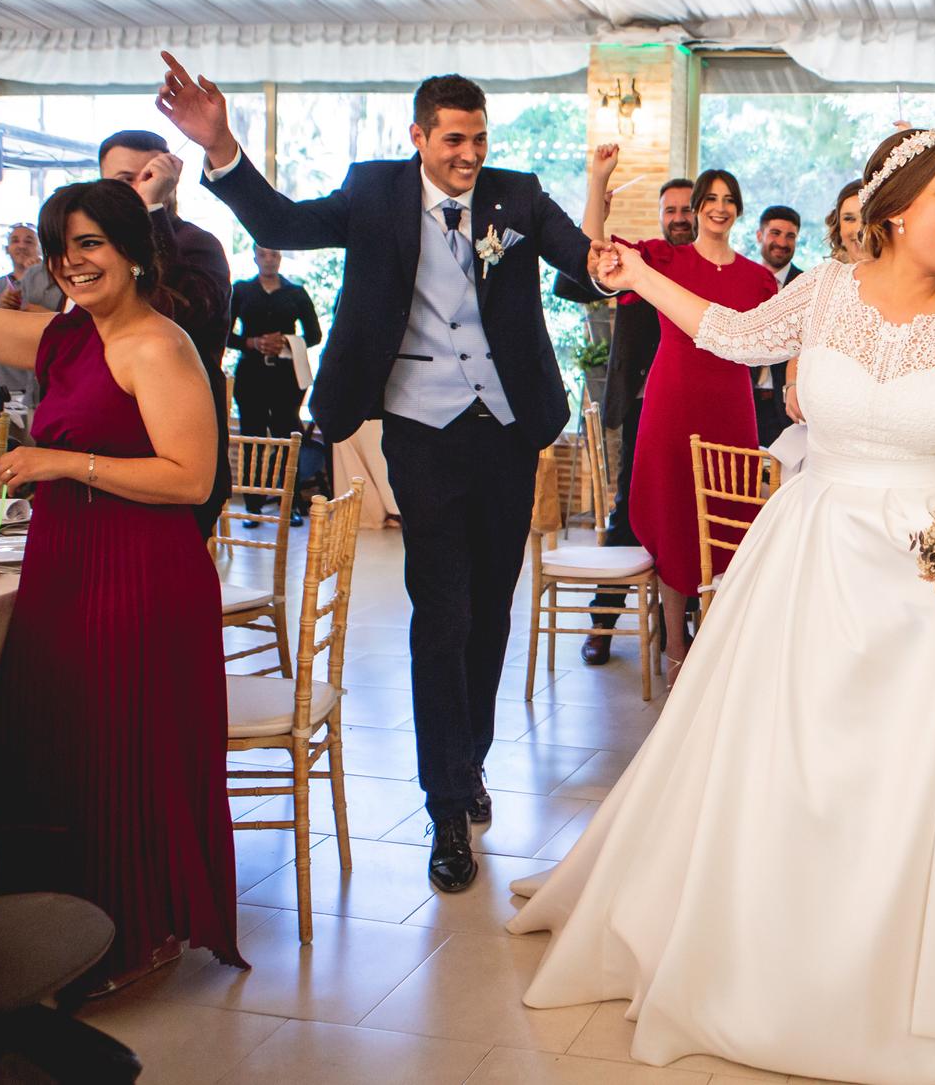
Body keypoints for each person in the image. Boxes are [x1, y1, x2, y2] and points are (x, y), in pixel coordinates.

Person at [509, 126, 935, 1083]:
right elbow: (726, 332)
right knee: (778, 751)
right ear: (898, 207)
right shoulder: (824, 291)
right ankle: (772, 947)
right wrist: (641, 277)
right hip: (816, 550)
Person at [157, 54, 605, 895]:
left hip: (509, 430)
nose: (469, 155)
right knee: (442, 609)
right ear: (419, 137)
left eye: (478, 139)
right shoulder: (374, 192)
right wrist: (221, 145)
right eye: (453, 140)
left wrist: (606, 249)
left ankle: (466, 760)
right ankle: (444, 806)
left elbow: (580, 266)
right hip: (421, 430)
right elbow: (284, 220)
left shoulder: (518, 194)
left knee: (490, 614)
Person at [0, 179, 239, 988]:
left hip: (138, 575)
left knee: (117, 750)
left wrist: (59, 460)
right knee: (52, 738)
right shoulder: (65, 335)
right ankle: (53, 932)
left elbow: (192, 477)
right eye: (63, 247)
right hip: (66, 565)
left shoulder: (158, 344)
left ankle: (130, 935)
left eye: (89, 243)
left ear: (133, 248)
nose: (73, 262)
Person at [581, 148, 777, 680]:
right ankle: (674, 646)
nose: (718, 207)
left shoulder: (759, 280)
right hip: (673, 401)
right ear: (694, 208)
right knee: (674, 519)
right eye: (709, 199)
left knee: (731, 518)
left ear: (738, 210)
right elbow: (596, 252)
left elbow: (783, 341)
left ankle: (719, 643)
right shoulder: (663, 260)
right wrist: (598, 180)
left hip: (731, 404)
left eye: (728, 200)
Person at [553, 175, 694, 665]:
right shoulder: (647, 262)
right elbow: (580, 272)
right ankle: (603, 623)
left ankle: (685, 627)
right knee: (629, 512)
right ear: (660, 216)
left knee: (692, 516)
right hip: (641, 408)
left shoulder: (711, 270)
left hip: (696, 411)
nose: (679, 217)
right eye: (670, 209)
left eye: (686, 208)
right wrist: (598, 198)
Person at [98, 129, 233, 537]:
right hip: (95, 457)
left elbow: (180, 316)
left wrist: (150, 211)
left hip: (174, 463)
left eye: (151, 177)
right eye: (125, 181)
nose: (140, 188)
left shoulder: (196, 245)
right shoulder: (88, 254)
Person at [227, 245, 321, 522]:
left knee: (286, 439)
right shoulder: (242, 290)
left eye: (274, 255)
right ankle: (252, 507)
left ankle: (288, 504)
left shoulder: (296, 293)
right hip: (251, 375)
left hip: (286, 378)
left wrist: (288, 344)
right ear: (254, 257)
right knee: (252, 438)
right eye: (263, 254)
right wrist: (252, 342)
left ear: (281, 258)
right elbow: (224, 331)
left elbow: (314, 334)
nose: (269, 260)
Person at [750, 203, 802, 447]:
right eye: (775, 233)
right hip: (747, 399)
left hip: (786, 405)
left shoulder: (805, 283)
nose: (782, 242)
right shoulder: (743, 279)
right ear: (760, 235)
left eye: (790, 236)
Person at [0, 222, 40, 405]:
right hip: (6, 383)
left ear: (39, 248)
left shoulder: (53, 282)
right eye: (15, 241)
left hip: (43, 383)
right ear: (7, 249)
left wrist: (36, 277)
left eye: (29, 241)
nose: (21, 245)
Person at [823, 179, 865, 263]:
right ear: (838, 227)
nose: (858, 229)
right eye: (849, 219)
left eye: (868, 219)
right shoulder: (817, 275)